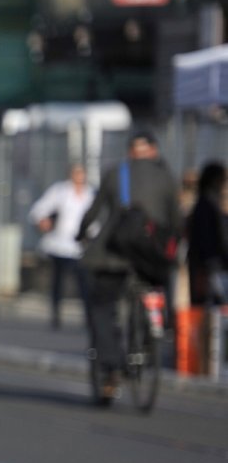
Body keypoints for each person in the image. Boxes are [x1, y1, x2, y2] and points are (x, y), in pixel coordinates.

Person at [77, 129, 182, 401]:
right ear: (155, 151)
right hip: (149, 259)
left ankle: (112, 365)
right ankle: (149, 340)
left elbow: (94, 210)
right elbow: (177, 222)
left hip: (113, 254)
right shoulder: (166, 177)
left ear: (129, 152)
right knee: (151, 290)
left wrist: (80, 233)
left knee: (102, 308)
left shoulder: (116, 173)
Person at [28, 163, 95, 329]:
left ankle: (88, 317)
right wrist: (43, 221)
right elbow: (39, 210)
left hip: (81, 246)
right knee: (58, 282)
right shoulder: (60, 191)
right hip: (60, 244)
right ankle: (56, 315)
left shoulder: (91, 194)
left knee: (84, 284)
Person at [186, 162, 228, 307]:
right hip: (209, 267)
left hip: (206, 266)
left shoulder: (205, 203)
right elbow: (210, 239)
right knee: (212, 307)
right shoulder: (208, 205)